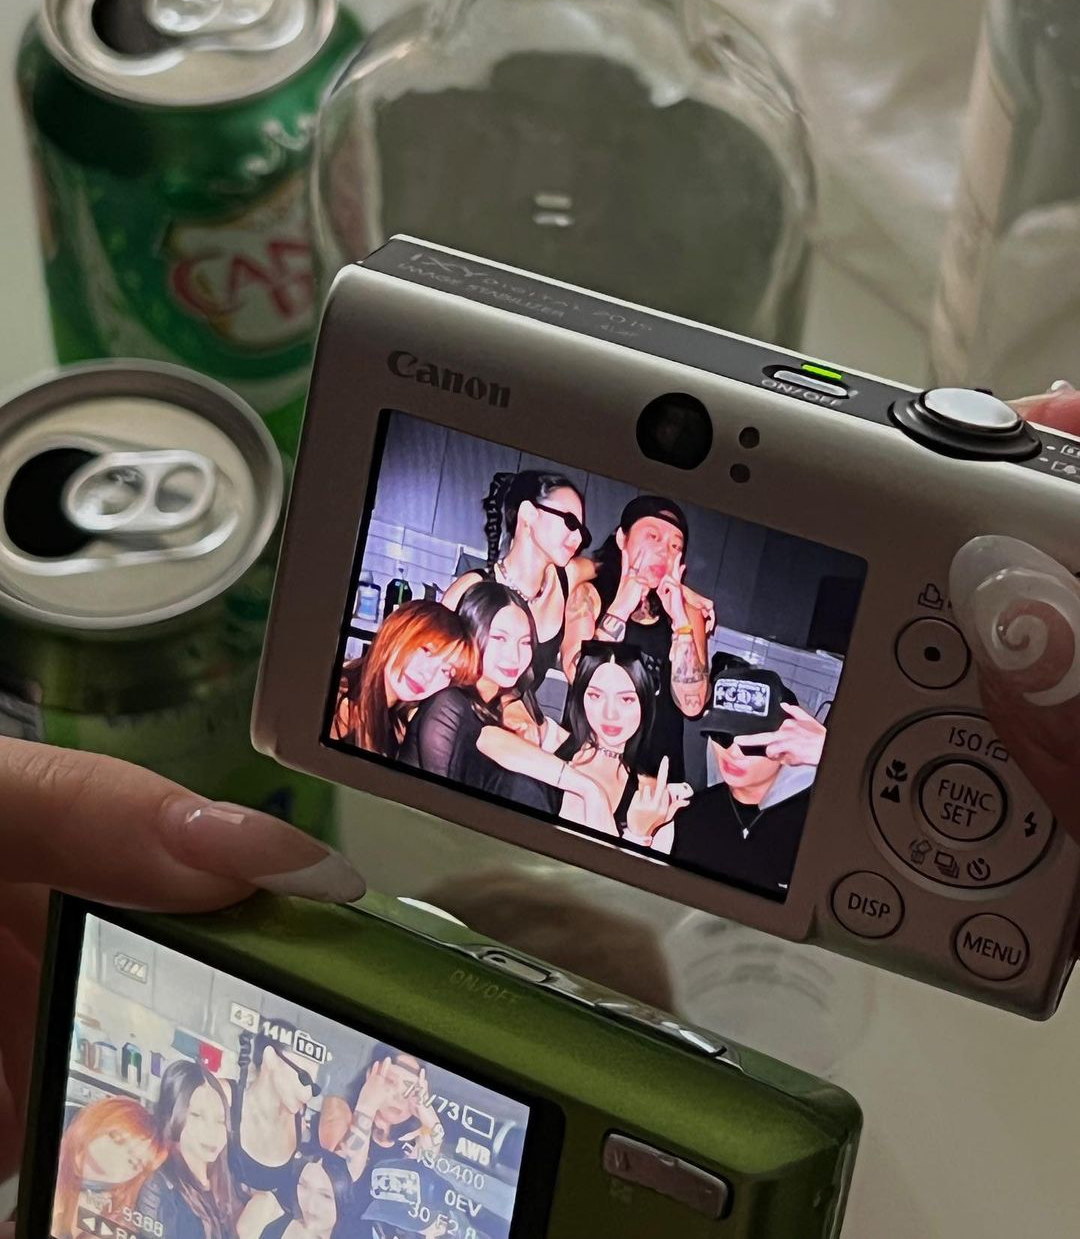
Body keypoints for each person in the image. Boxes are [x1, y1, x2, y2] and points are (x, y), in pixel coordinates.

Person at [3, 390, 1080, 1237]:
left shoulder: (675, 621)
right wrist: (583, 746)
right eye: (619, 531)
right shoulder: (525, 625)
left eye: (661, 541)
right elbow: (506, 706)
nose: (642, 548)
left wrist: (668, 659)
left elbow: (670, 707)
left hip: (633, 774)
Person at [399, 582, 612, 825]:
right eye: (500, 638)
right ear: (472, 633)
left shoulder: (503, 707)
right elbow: (436, 816)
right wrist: (587, 788)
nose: (514, 656)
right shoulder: (449, 704)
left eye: (524, 642)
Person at [562, 496, 710, 778]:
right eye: (652, 537)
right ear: (622, 538)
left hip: (653, 781)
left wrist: (681, 622)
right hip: (587, 771)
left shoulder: (687, 613)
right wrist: (620, 608)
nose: (663, 551)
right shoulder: (589, 596)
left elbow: (692, 705)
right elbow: (575, 673)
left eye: (675, 546)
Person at [658, 655, 826, 896]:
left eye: (752, 743)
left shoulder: (816, 826)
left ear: (787, 747)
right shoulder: (689, 814)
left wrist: (832, 754)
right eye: (722, 736)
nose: (733, 752)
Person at [441, 470, 591, 689]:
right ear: (528, 514)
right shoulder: (470, 588)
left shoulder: (566, 578)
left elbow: (608, 567)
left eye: (583, 532)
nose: (577, 537)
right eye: (570, 521)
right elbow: (432, 670)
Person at [551, 641, 693, 842]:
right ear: (581, 696)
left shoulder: (653, 797)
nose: (610, 713)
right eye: (596, 695)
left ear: (644, 702)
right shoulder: (548, 744)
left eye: (626, 699)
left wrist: (639, 836)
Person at [331, 601, 479, 753]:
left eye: (446, 671)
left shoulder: (400, 724)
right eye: (426, 650)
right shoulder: (339, 704)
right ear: (396, 632)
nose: (428, 674)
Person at [316, 1046, 445, 1213]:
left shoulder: (414, 1140)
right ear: (371, 1075)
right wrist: (367, 1105)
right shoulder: (339, 1110)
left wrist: (431, 1122)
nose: (399, 1097)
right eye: (391, 1082)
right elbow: (343, 1175)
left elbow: (411, 1198)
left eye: (411, 1090)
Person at [137, 1060, 241, 1239]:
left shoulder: (225, 1178)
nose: (212, 1132)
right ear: (172, 1116)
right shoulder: (158, 1186)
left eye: (220, 1120)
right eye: (197, 1115)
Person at [51, 1098, 164, 1239]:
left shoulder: (115, 1218)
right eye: (117, 1139)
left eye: (135, 1162)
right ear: (95, 1122)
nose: (120, 1157)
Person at [229, 1025, 321, 1197]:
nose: (308, 1094)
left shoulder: (300, 1126)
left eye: (313, 1087)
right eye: (303, 1077)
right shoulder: (225, 1099)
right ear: (270, 1058)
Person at [236, 1148, 353, 1239]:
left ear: (342, 1200)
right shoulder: (268, 1211)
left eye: (325, 1195)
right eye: (303, 1185)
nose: (310, 1204)